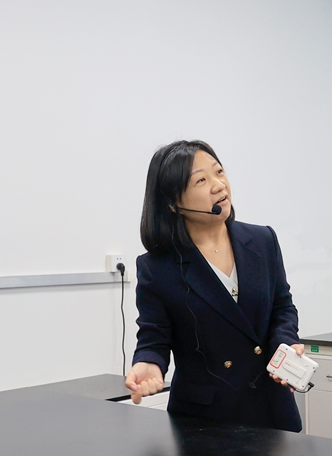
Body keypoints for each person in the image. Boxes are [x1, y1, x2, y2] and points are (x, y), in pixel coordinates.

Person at [125, 140, 303, 430]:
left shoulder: (262, 240)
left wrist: (284, 345)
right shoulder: (158, 267)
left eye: (219, 172)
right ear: (173, 203)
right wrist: (149, 362)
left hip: (272, 406)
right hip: (205, 420)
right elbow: (154, 336)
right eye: (201, 180)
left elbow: (282, 307)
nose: (219, 185)